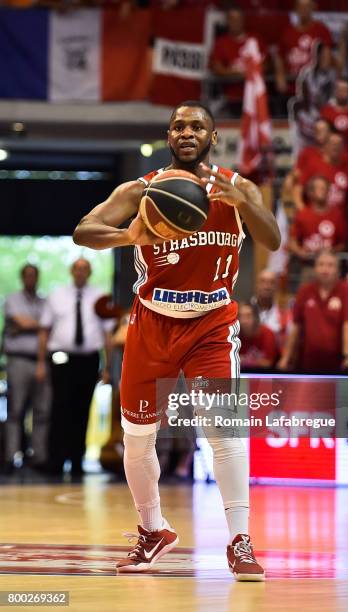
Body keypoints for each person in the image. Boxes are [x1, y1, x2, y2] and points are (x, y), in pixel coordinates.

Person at [72, 100, 281, 581]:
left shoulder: (235, 186)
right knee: (137, 437)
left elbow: (270, 239)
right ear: (169, 137)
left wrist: (245, 203)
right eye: (178, 126)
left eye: (197, 126)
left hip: (211, 322)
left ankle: (240, 540)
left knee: (223, 433)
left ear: (212, 138)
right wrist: (130, 236)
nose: (187, 132)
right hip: (152, 321)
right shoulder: (141, 189)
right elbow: (84, 230)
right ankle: (154, 529)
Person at [37, 258, 111, 477]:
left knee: (82, 410)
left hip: (88, 360)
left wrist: (107, 367)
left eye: (84, 269)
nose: (80, 272)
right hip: (61, 359)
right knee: (59, 408)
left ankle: (77, 461)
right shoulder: (57, 295)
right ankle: (55, 462)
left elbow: (107, 335)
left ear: (89, 272)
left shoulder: (100, 297)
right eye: (77, 269)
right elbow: (44, 331)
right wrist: (41, 362)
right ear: (71, 271)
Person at [278, 250, 348, 374]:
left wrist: (347, 356)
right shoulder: (304, 291)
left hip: (337, 363)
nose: (325, 269)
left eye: (330, 265)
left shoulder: (347, 291)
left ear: (338, 270)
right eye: (321, 264)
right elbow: (296, 326)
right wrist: (286, 357)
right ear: (315, 268)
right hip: (307, 362)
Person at [3, 264, 50, 473]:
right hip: (18, 361)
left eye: (34, 274)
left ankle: (38, 457)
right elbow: (20, 322)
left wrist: (35, 324)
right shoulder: (13, 299)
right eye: (27, 275)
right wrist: (42, 324)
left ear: (38, 277)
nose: (31, 278)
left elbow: (45, 327)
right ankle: (12, 456)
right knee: (16, 411)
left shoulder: (45, 302)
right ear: (23, 277)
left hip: (41, 361)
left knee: (42, 411)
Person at [209, 7, 267, 117]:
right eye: (232, 19)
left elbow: (266, 65)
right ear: (227, 21)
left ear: (243, 20)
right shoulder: (221, 43)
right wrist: (240, 73)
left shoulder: (255, 40)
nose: (235, 22)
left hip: (255, 97)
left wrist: (249, 73)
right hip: (231, 98)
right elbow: (217, 68)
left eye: (238, 19)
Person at [288, 176, 347, 280]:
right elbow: (292, 242)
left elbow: (343, 244)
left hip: (330, 267)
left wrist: (332, 250)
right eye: (319, 188)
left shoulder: (337, 215)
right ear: (311, 192)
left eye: (325, 188)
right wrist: (301, 252)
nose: (323, 191)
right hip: (309, 266)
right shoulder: (302, 215)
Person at [274, 0, 333, 97]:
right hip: (292, 86)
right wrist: (280, 75)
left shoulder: (321, 30)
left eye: (307, 6)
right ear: (296, 9)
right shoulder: (287, 32)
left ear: (313, 8)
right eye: (301, 7)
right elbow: (279, 57)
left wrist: (318, 80)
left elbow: (326, 57)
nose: (304, 10)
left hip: (314, 88)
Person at [238, 302, 278, 372]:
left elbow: (268, 364)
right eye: (241, 316)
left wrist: (244, 360)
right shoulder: (235, 336)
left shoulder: (267, 334)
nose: (243, 321)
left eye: (248, 316)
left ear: (256, 318)